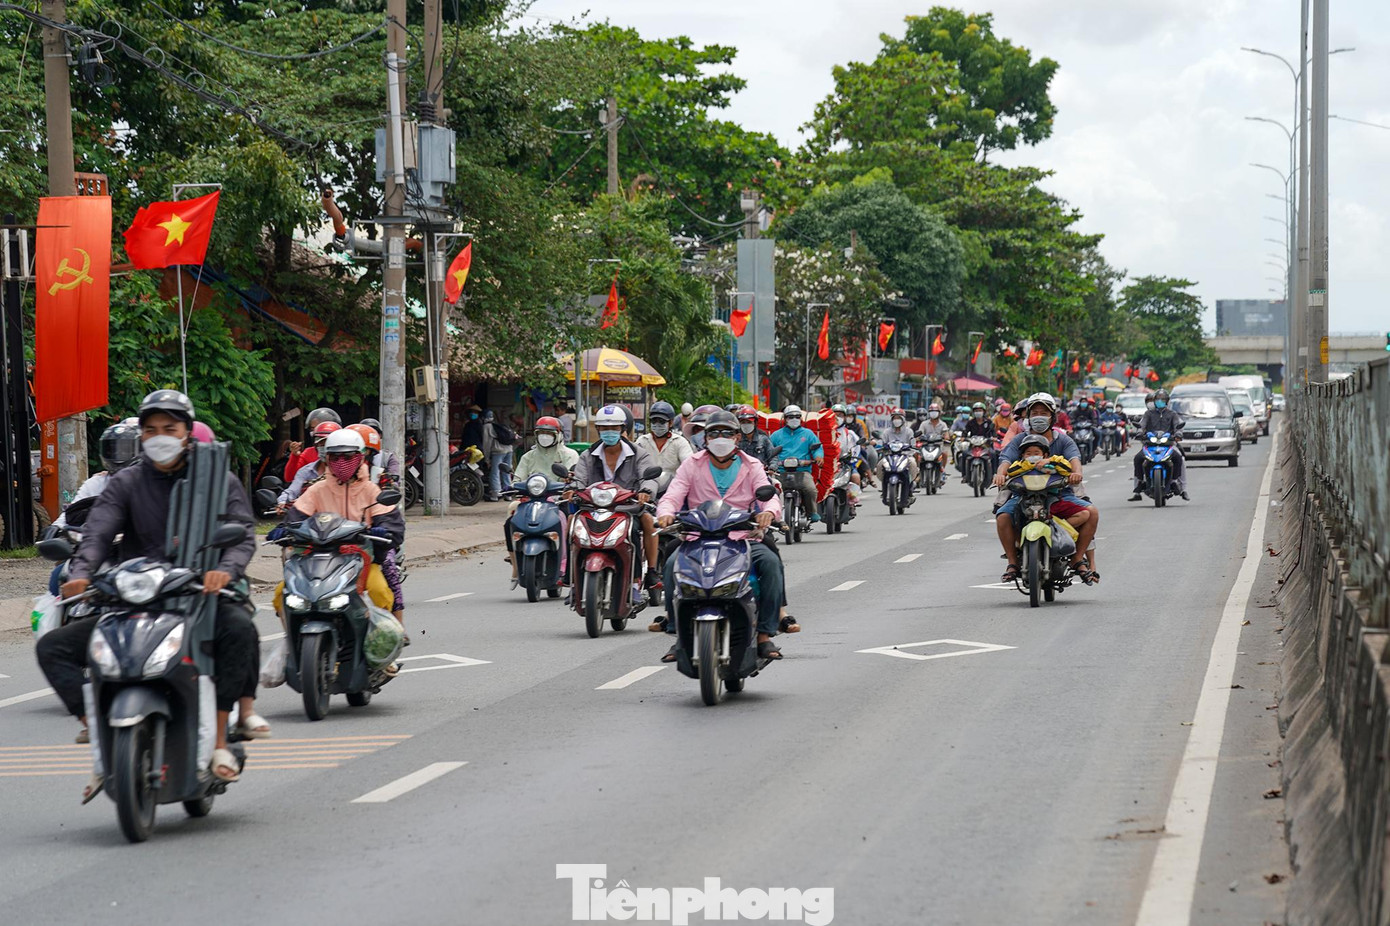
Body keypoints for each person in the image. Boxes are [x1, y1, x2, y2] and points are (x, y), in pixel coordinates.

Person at [39, 390, 264, 797]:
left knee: (238, 628)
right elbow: (98, 530)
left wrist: (224, 571)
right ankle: (97, 732)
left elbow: (241, 534)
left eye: (169, 428)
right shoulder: (125, 481)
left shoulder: (216, 479)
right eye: (151, 429)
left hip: (197, 593)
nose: (160, 436)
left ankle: (218, 743)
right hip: (134, 596)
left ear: (186, 433)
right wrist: (82, 571)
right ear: (141, 436)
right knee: (53, 646)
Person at [657, 409, 787, 663]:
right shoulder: (691, 465)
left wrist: (768, 513)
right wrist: (666, 513)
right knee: (671, 563)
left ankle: (764, 634)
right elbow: (673, 495)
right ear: (705, 438)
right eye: (714, 433)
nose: (720, 438)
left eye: (726, 433)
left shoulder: (752, 465)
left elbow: (768, 495)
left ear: (737, 437)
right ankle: (677, 633)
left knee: (771, 565)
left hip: (742, 537)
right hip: (697, 536)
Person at [282, 427, 407, 628]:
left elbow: (391, 521)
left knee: (381, 591)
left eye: (347, 456)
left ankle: (384, 646)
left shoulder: (371, 489)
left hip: (360, 558)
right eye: (335, 457)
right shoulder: (317, 489)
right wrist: (284, 529)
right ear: (327, 458)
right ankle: (292, 646)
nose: (341, 462)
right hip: (317, 560)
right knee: (283, 592)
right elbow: (296, 516)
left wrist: (383, 530)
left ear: (360, 457)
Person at [991, 394, 1099, 585]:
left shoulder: (1064, 440)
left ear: (1052, 417)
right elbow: (1005, 460)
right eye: (1034, 413)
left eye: (1043, 413)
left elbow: (1075, 461)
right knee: (1002, 516)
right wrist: (1000, 474)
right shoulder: (1019, 440)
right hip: (1023, 494)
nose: (1039, 417)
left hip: (1059, 494)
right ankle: (1012, 562)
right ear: (1028, 417)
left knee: (1091, 512)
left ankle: (1077, 558)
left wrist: (1076, 473)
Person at [46, 421, 141, 594]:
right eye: (112, 449)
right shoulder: (96, 482)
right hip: (97, 549)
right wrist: (55, 528)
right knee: (58, 578)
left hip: (138, 553)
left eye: (125, 449)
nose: (118, 455)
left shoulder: (153, 482)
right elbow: (72, 510)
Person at [573, 405, 662, 591]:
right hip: (594, 508)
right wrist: (572, 489)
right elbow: (578, 479)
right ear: (598, 430)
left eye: (614, 428)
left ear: (623, 429)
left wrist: (645, 491)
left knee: (648, 520)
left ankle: (648, 574)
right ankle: (572, 579)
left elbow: (650, 478)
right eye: (604, 428)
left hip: (628, 508)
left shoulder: (639, 454)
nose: (609, 432)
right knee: (571, 524)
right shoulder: (588, 455)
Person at [1129, 388, 1188, 501]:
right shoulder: (1148, 414)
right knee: (1137, 458)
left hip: (1168, 444)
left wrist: (1178, 434)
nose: (1160, 401)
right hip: (1150, 445)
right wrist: (1140, 433)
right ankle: (1139, 483)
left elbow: (1178, 425)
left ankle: (1178, 484)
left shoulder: (1172, 414)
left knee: (1180, 459)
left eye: (1163, 399)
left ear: (1167, 401)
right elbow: (1142, 425)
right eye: (1158, 399)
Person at [769, 404, 824, 522]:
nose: (794, 419)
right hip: (781, 472)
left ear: (801, 418)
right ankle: (773, 514)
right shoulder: (776, 435)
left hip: (802, 471)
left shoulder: (808, 434)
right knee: (773, 491)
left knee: (811, 489)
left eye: (797, 417)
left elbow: (817, 448)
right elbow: (769, 450)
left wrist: (818, 457)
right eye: (790, 417)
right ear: (785, 419)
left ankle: (812, 511)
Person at [634, 401, 693, 494]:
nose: (657, 424)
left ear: (671, 423)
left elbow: (689, 465)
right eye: (654, 421)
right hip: (645, 492)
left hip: (674, 491)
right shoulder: (642, 441)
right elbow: (633, 465)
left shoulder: (680, 442)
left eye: (661, 421)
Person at [278, 421, 340, 507]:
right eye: (321, 444)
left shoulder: (346, 470)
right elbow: (292, 486)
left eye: (328, 444)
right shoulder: (306, 470)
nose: (324, 447)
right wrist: (283, 501)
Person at [284, 407, 341, 481]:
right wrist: (294, 456)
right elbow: (290, 478)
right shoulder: (309, 452)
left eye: (320, 428)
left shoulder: (344, 453)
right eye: (312, 429)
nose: (316, 432)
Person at [879, 409, 919, 497]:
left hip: (905, 456)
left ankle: (911, 483)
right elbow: (882, 444)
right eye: (894, 418)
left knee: (912, 463)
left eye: (899, 418)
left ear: (903, 419)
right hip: (890, 456)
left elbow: (913, 445)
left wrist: (910, 449)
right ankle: (884, 484)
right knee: (880, 465)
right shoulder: (887, 432)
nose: (896, 420)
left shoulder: (909, 431)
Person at [480, 409, 516, 502]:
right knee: (506, 472)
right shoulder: (498, 425)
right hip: (509, 450)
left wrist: (487, 458)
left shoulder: (487, 426)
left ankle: (496, 494)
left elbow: (486, 444)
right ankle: (508, 494)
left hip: (498, 452)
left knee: (495, 472)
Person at [356, 418, 401, 484]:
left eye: (374, 433)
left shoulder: (388, 458)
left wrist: (388, 483)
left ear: (380, 436)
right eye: (366, 433)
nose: (370, 436)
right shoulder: (353, 456)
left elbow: (394, 483)